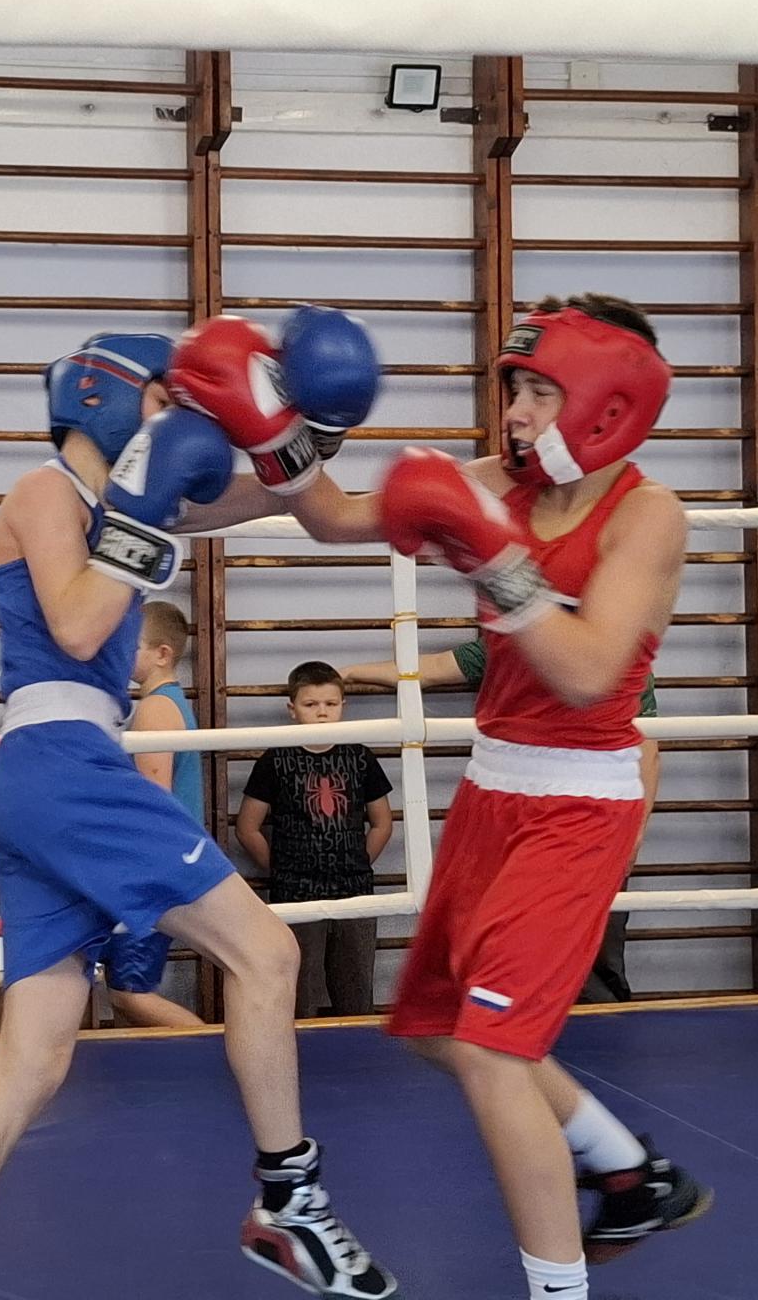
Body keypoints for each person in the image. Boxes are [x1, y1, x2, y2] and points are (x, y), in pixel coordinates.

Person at [182, 295, 710, 1300]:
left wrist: (493, 557)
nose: (514, 410)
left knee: (493, 1051)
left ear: (605, 404)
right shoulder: (497, 484)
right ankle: (630, 1173)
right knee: (432, 1025)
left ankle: (560, 1289)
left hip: (578, 800)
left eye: (540, 391)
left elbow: (589, 671)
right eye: (515, 387)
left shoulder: (649, 516)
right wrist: (273, 435)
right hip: (493, 789)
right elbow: (334, 517)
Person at [0, 322, 395, 1300]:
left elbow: (286, 498)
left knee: (32, 1059)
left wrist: (306, 429)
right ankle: (289, 1203)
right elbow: (77, 623)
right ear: (105, 396)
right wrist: (146, 511)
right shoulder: (44, 493)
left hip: (51, 781)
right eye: (163, 400)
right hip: (63, 765)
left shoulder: (127, 502)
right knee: (269, 955)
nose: (178, 419)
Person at [343, 648, 661, 1003]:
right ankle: (524, 1019)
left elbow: (646, 749)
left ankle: (598, 1023)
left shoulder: (619, 652)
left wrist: (634, 834)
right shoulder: (513, 642)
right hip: (532, 821)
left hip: (595, 820)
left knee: (598, 948)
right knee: (523, 944)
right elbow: (428, 669)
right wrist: (349, 672)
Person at [236, 661, 393, 1018]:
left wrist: (356, 864)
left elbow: (382, 823)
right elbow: (247, 827)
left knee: (355, 988)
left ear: (343, 706)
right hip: (296, 892)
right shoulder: (275, 759)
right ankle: (297, 1047)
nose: (322, 712)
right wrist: (282, 870)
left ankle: (358, 1044)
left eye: (330, 704)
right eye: (310, 704)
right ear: (292, 709)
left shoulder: (359, 756)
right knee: (300, 989)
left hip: (354, 892)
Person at [103, 600, 211, 1029]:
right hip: (161, 860)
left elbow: (154, 800)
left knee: (130, 993)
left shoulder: (155, 708)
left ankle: (213, 1048)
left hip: (154, 865)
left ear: (162, 654)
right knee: (123, 989)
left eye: (130, 644)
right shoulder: (169, 703)